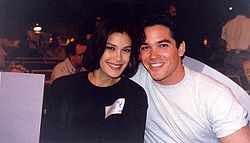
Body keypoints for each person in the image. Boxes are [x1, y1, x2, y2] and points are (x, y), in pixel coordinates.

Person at [131, 13, 250, 143]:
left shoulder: (214, 95)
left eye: (163, 45)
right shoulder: (135, 77)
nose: (153, 55)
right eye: (145, 47)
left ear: (180, 49)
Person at [40, 18, 148, 143]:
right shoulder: (63, 87)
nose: (118, 58)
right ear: (97, 48)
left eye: (126, 50)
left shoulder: (135, 95)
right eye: (110, 48)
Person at [221, 5, 250, 92]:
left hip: (229, 57)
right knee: (246, 89)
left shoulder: (228, 24)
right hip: (245, 58)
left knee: (233, 86)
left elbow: (222, 42)